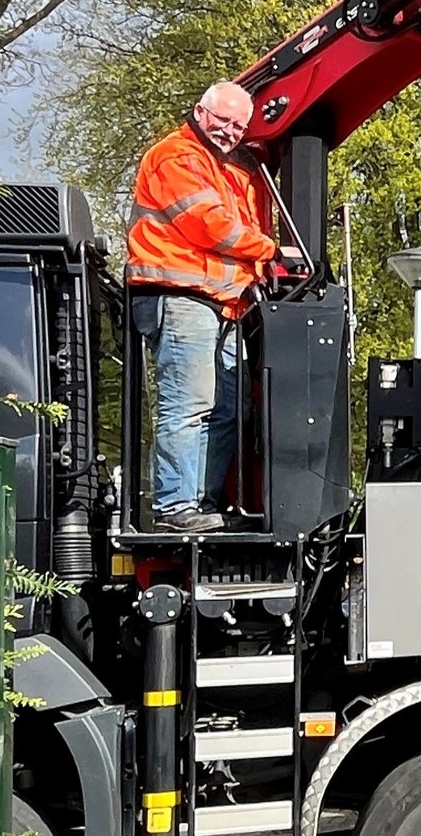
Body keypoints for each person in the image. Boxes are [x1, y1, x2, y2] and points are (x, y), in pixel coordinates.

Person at [126, 81, 290, 532]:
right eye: (223, 120)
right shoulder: (177, 157)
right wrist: (271, 250)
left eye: (239, 125)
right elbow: (210, 225)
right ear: (200, 111)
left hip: (224, 306)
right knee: (189, 405)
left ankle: (201, 502)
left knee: (228, 410)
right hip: (182, 299)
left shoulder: (225, 168)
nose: (230, 131)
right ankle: (176, 506)